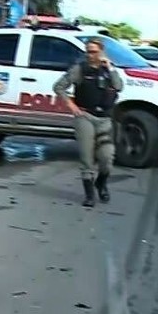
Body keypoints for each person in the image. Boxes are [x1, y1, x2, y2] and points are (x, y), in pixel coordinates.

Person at [53, 38, 124, 207]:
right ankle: (89, 194)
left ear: (101, 52)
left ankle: (101, 182)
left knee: (107, 157)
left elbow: (119, 86)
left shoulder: (108, 70)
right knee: (87, 157)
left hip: (105, 119)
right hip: (85, 117)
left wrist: (111, 68)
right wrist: (71, 106)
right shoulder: (80, 69)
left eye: (93, 51)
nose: (90, 55)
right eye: (88, 51)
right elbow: (59, 87)